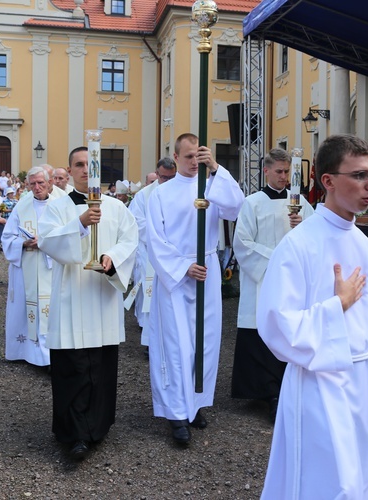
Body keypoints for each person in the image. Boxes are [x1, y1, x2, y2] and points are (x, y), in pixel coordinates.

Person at [256, 134, 368, 499]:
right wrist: (336, 306)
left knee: (358, 483)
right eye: (359, 176)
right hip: (318, 386)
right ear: (328, 181)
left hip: (362, 385)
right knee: (327, 485)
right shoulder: (298, 245)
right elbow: (276, 326)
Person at [37, 146, 138, 460]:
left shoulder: (117, 208)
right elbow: (48, 242)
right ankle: (75, 433)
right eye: (78, 165)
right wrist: (80, 223)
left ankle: (99, 426)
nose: (84, 170)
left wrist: (113, 259)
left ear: (98, 170)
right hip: (72, 297)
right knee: (74, 368)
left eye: (89, 165)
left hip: (102, 296)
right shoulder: (57, 207)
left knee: (101, 367)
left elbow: (130, 239)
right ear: (70, 170)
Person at [146, 133, 244, 445]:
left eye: (197, 156)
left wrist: (215, 168)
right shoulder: (160, 195)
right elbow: (154, 239)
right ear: (175, 158)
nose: (193, 162)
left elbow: (235, 207)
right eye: (187, 156)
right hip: (176, 276)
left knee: (205, 342)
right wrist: (182, 267)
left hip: (208, 273)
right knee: (177, 346)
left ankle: (196, 403)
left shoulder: (211, 187)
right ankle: (176, 412)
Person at [231, 148, 315, 423]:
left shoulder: (301, 203)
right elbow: (242, 243)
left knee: (286, 333)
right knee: (260, 335)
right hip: (263, 279)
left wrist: (301, 225)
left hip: (292, 282)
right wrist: (276, 259)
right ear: (265, 171)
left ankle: (286, 390)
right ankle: (266, 393)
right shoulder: (252, 203)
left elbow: (316, 237)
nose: (283, 176)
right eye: (278, 171)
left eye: (287, 171)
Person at [2, 167, 63, 367]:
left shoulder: (61, 204)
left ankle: (49, 357)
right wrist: (23, 243)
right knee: (25, 309)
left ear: (50, 183)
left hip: (51, 267)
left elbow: (68, 235)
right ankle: (26, 352)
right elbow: (7, 237)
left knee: (49, 311)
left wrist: (44, 241)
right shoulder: (22, 205)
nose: (37, 188)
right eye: (32, 184)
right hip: (25, 267)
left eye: (41, 183)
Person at [127, 157, 176, 346]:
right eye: (164, 178)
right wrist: (161, 238)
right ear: (157, 174)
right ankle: (149, 341)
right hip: (151, 254)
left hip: (174, 255)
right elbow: (137, 223)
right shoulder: (144, 195)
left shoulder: (180, 192)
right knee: (151, 299)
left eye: (172, 177)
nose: (168, 182)